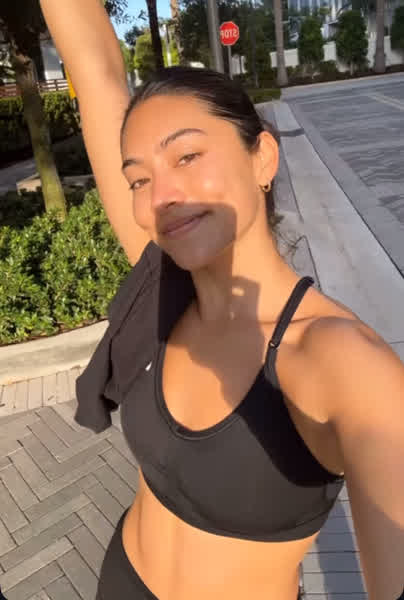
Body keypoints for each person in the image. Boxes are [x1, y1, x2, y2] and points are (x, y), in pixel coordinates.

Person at [40, 2, 404, 599]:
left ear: (262, 157)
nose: (162, 195)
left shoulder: (344, 362)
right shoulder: (166, 288)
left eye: (187, 156)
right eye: (139, 178)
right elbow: (96, 69)